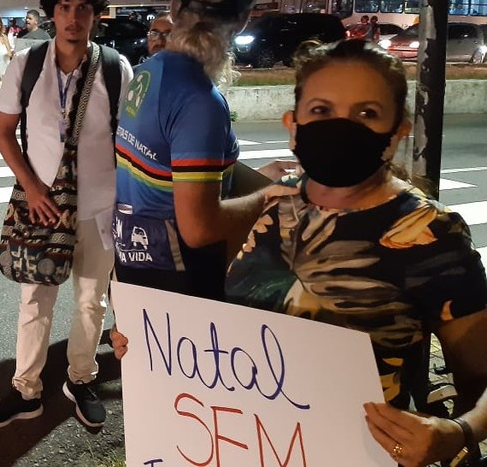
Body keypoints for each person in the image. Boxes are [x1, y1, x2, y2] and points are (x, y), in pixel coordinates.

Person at [114, 39, 487, 467]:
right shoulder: (273, 204)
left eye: (367, 113)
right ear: (292, 124)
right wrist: (153, 350)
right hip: (245, 448)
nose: (341, 127)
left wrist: (459, 431)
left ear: (397, 131)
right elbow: (231, 329)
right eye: (322, 110)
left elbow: (480, 375)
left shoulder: (429, 235)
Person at [0, 0, 134, 430]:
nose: (73, 16)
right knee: (35, 301)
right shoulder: (25, 66)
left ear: (96, 15)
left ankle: (81, 378)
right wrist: (30, 185)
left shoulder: (114, 67)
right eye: (64, 7)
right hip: (42, 208)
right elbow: (4, 132)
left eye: (83, 8)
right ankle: (26, 390)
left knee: (91, 301)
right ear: (51, 13)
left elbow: (126, 139)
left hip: (100, 208)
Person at [110, 0, 292, 302]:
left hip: (133, 263)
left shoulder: (147, 75)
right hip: (181, 279)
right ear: (241, 20)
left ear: (176, 8)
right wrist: (267, 197)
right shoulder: (200, 101)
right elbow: (199, 228)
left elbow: (169, 166)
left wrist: (255, 177)